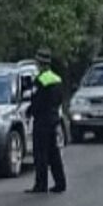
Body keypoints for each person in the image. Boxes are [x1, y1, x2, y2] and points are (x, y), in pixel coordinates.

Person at [25, 48, 67, 194]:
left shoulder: (40, 80)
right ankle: (60, 183)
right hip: (54, 118)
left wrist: (30, 112)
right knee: (54, 153)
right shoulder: (57, 79)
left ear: (39, 63)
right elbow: (60, 99)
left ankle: (41, 185)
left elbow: (37, 101)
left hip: (42, 121)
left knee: (40, 154)